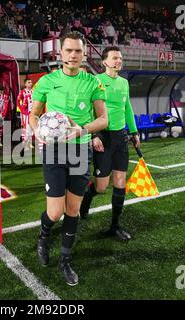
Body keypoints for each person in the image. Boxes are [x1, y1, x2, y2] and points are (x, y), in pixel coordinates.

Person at [29, 31, 107, 286]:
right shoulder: (46, 81)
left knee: (72, 210)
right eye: (68, 50)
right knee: (54, 212)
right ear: (60, 53)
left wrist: (82, 130)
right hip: (53, 151)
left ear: (84, 54)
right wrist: (37, 131)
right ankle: (43, 236)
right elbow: (34, 114)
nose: (73, 55)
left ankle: (65, 260)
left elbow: (103, 119)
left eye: (78, 51)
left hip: (80, 149)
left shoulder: (93, 83)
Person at [79, 46, 139, 241]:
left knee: (120, 183)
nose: (118, 61)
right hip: (103, 137)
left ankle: (115, 225)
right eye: (114, 58)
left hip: (120, 137)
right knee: (101, 187)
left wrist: (134, 131)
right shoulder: (96, 81)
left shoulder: (124, 83)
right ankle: (87, 198)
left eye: (120, 58)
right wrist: (94, 134)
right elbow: (89, 110)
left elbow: (127, 107)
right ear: (105, 62)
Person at [17, 79, 34, 149]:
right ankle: (25, 144)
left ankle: (29, 143)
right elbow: (18, 102)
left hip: (32, 112)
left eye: (31, 82)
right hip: (25, 113)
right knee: (26, 128)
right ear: (25, 84)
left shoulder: (34, 91)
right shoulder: (22, 92)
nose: (31, 83)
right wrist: (23, 110)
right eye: (29, 82)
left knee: (31, 128)